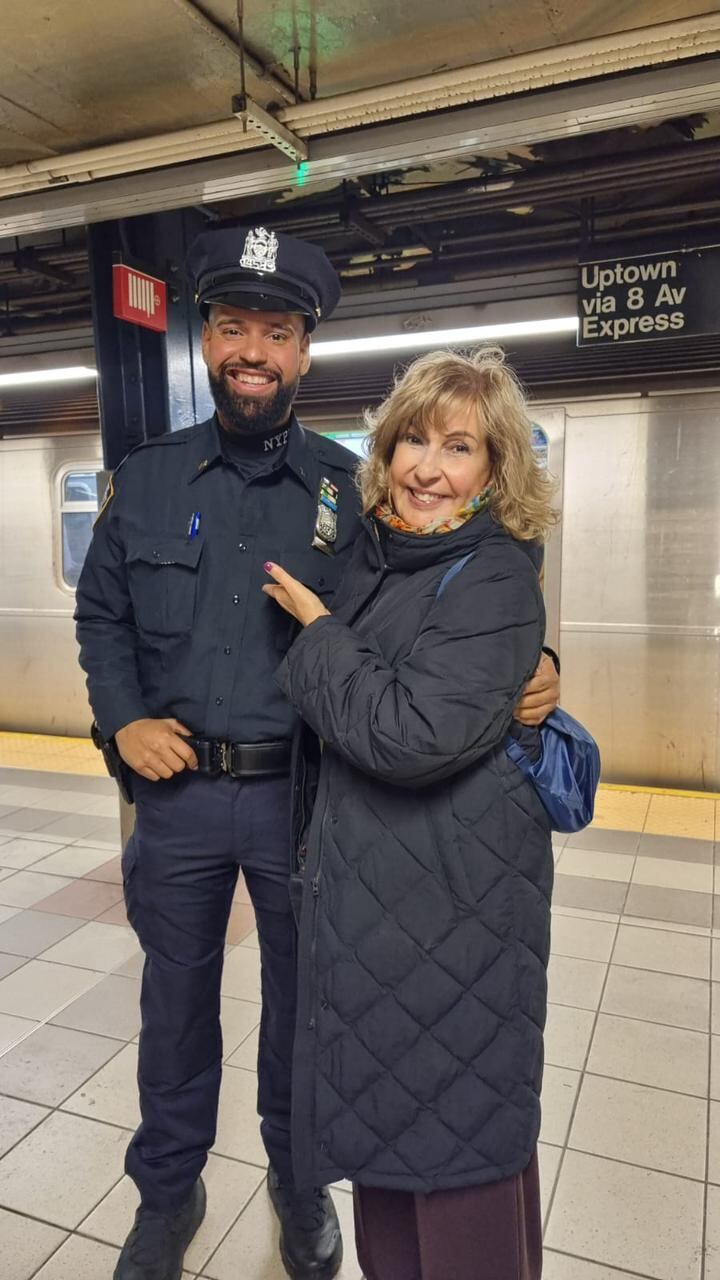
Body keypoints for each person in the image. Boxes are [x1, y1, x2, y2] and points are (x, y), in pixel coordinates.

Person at [75, 224, 559, 1280]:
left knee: (309, 1015)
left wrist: (540, 659)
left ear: (304, 353)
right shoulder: (146, 479)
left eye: (278, 331)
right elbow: (102, 615)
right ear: (209, 340)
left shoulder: (356, 491)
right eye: (236, 326)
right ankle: (169, 1191)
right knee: (175, 1008)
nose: (255, 348)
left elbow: (439, 597)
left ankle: (301, 1191)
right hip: (184, 797)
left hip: (309, 799)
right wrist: (121, 720)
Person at [263, 345, 557, 1280]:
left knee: (458, 1171)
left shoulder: (495, 573)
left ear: (496, 467)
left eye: (460, 447)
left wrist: (316, 634)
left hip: (453, 925)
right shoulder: (382, 557)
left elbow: (412, 735)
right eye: (413, 441)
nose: (429, 468)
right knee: (392, 1166)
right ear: (384, 451)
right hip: (385, 923)